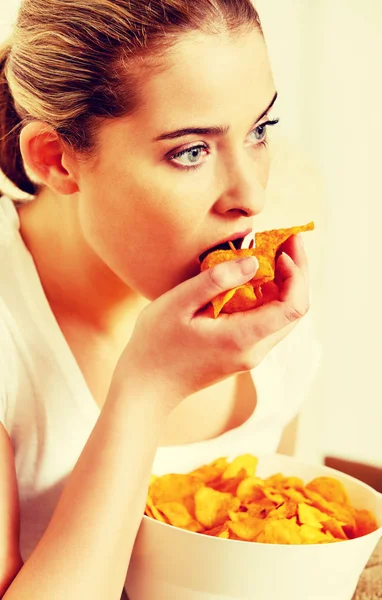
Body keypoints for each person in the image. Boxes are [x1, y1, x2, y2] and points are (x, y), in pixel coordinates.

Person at [0, 0, 321, 598]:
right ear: (56, 158)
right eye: (190, 151)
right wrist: (146, 389)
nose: (250, 196)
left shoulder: (267, 304)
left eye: (259, 131)